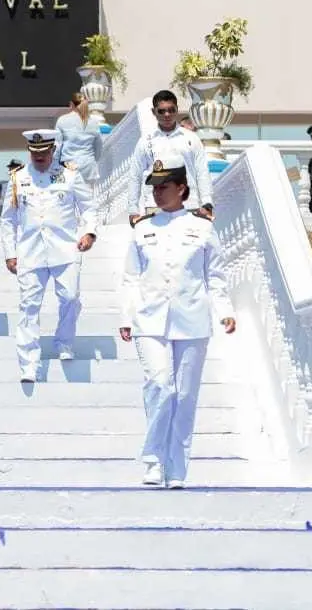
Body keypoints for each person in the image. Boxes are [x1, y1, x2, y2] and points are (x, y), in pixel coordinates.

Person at [119, 152, 236, 489]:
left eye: (164, 186)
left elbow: (214, 275)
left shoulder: (202, 228)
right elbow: (130, 277)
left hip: (192, 318)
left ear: (182, 188)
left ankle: (177, 467)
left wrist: (225, 310)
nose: (157, 192)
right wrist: (126, 315)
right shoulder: (143, 228)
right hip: (149, 318)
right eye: (154, 187)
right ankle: (153, 459)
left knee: (184, 395)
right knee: (160, 385)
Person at [1, 129, 98, 378]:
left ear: (53, 151)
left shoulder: (70, 175)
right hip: (30, 251)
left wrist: (89, 232)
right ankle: (29, 363)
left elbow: (89, 208)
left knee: (71, 297)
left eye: (44, 152)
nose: (39, 157)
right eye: (34, 153)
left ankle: (64, 342)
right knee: (28, 307)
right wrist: (10, 252)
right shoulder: (18, 177)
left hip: (65, 248)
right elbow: (8, 220)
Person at [127, 90, 214, 226]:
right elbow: (135, 175)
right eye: (161, 111)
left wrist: (207, 202)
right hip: (154, 205)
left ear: (177, 110)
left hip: (188, 204)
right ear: (153, 112)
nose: (167, 115)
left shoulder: (191, 138)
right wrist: (133, 209)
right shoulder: (145, 141)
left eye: (171, 110)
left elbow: (202, 171)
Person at [55, 93, 104, 184]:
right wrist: (92, 160)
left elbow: (57, 147)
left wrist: (54, 166)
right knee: (88, 196)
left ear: (71, 104)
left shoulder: (62, 120)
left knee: (66, 196)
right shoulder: (94, 122)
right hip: (88, 167)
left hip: (68, 165)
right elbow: (99, 148)